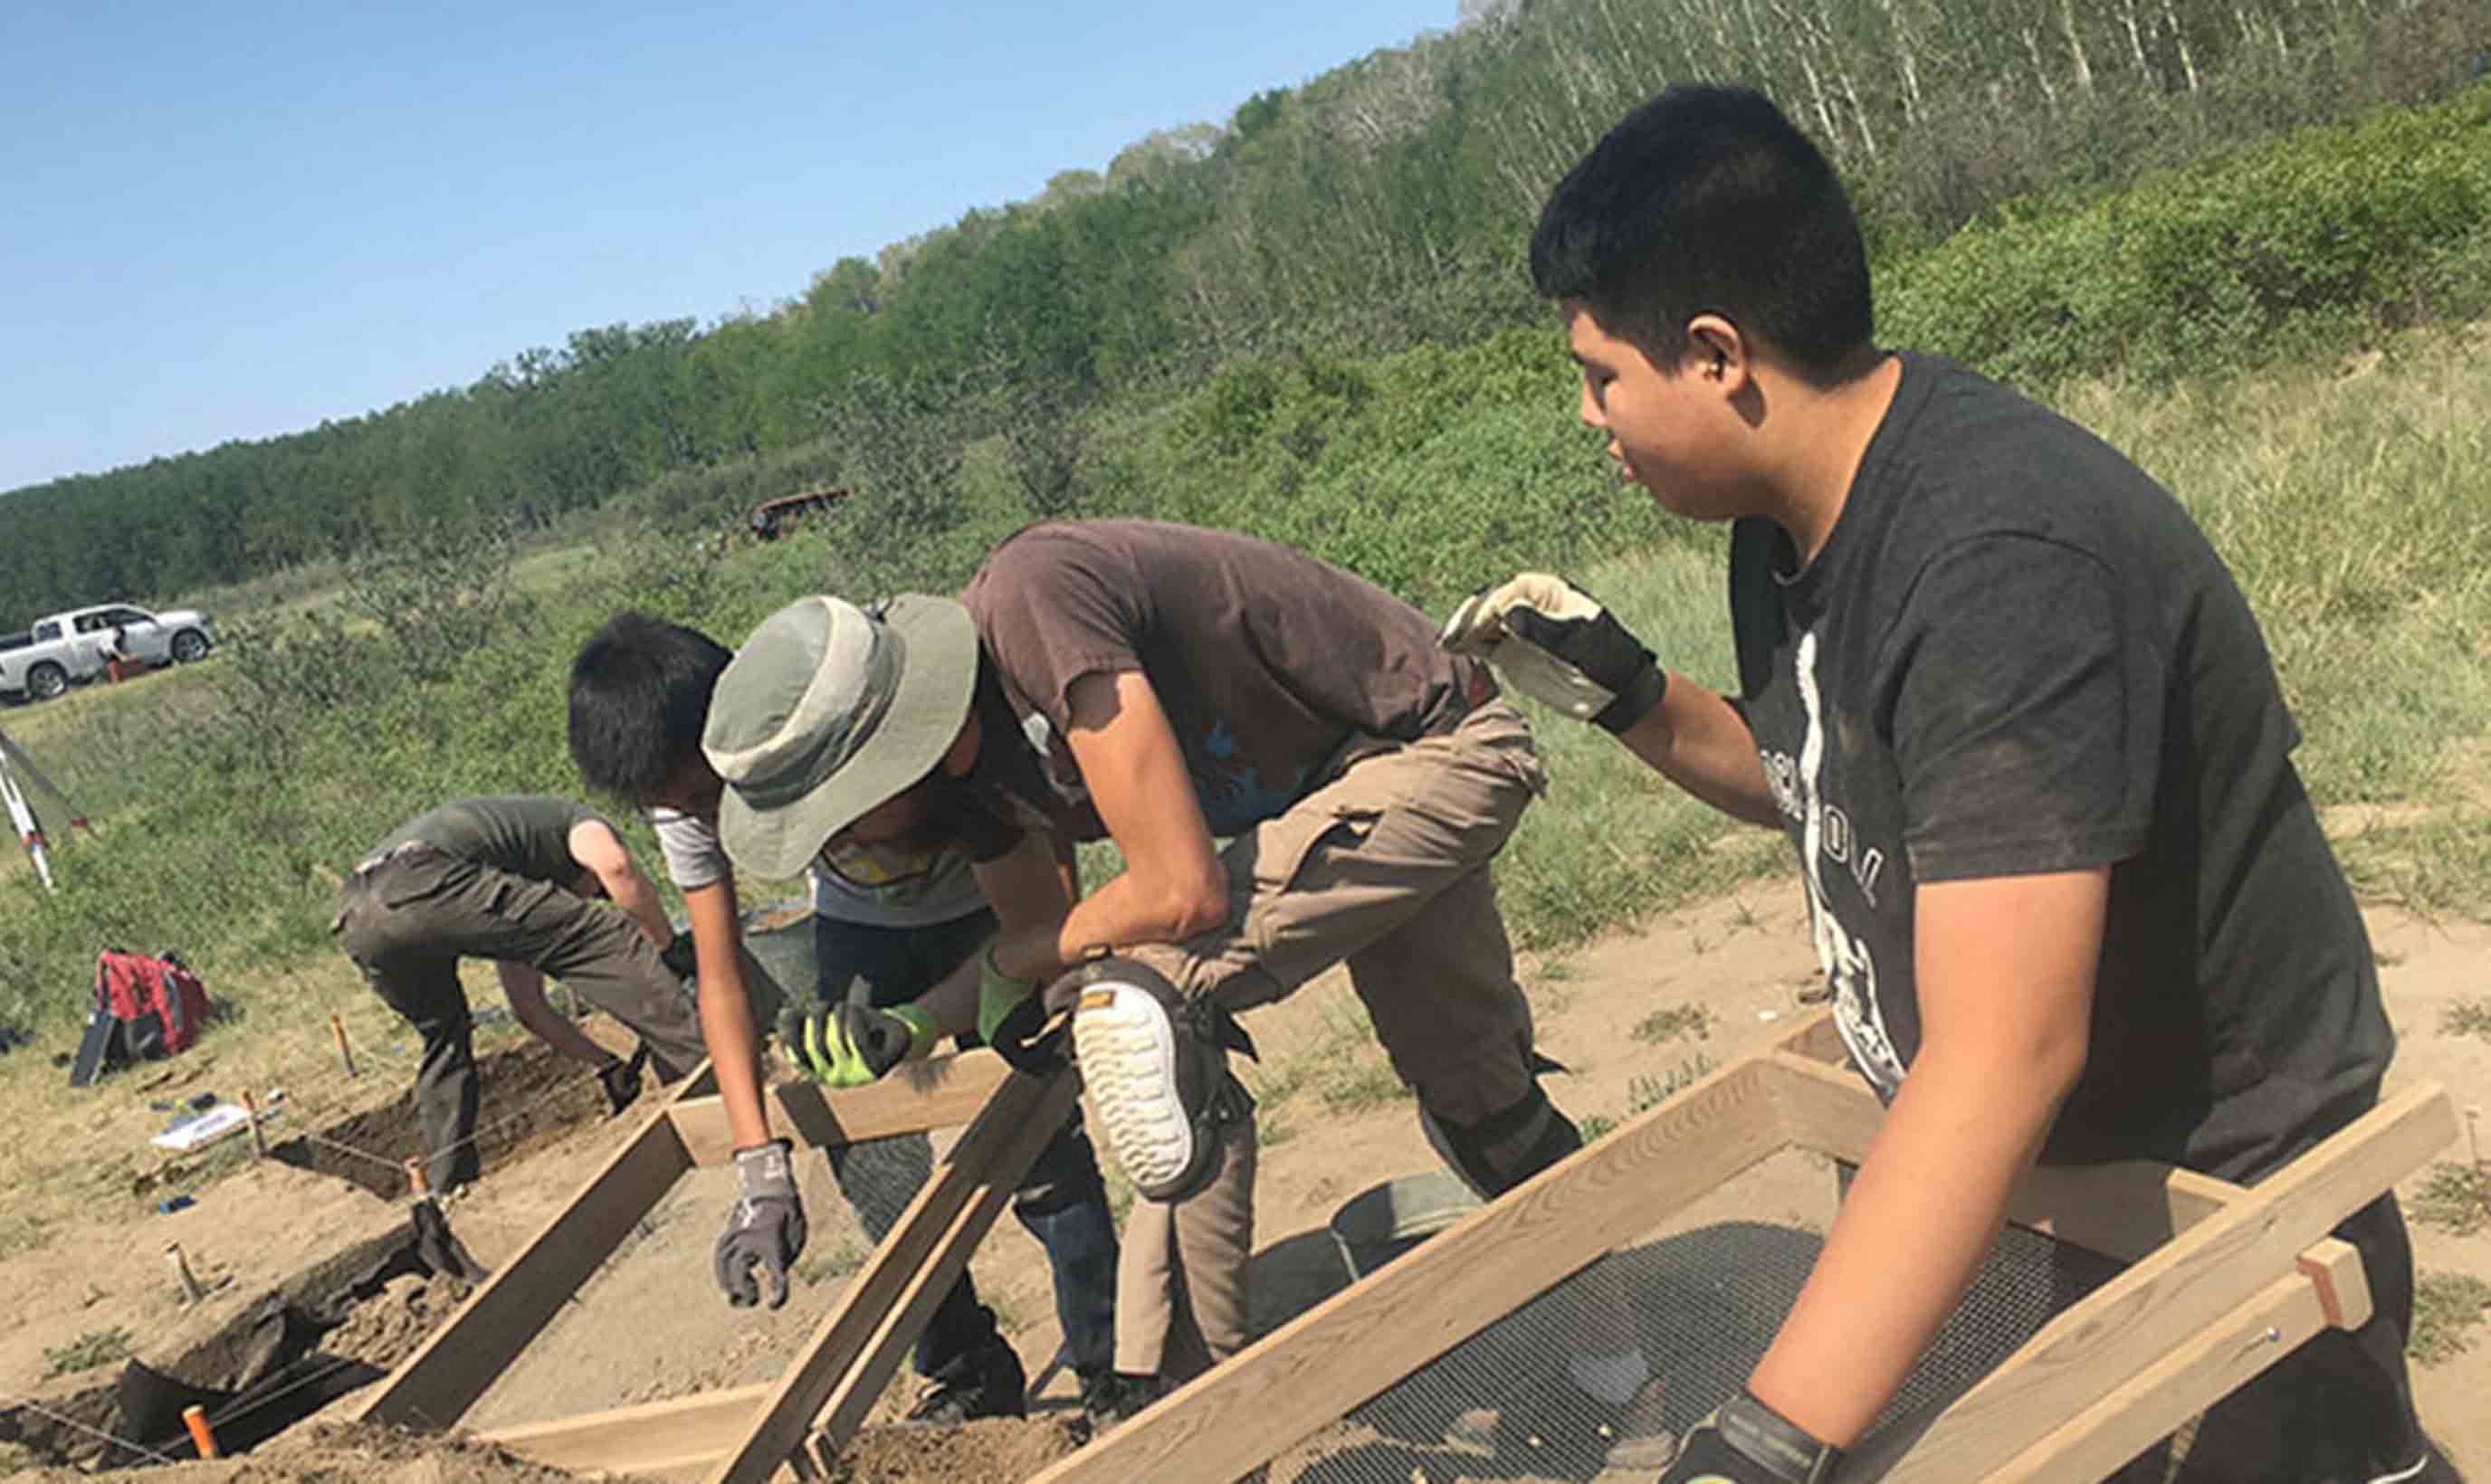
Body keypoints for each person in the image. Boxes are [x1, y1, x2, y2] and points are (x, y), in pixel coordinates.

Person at [1441, 83, 2453, 1484]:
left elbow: (2008, 1047)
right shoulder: (1787, 522)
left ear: (1719, 354)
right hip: (2022, 1173)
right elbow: (1817, 783)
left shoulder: (2000, 563)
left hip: (2213, 1172)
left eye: (1602, 373)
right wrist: (1625, 689)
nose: (1590, 416)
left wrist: (1763, 1442)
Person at [691, 519, 1666, 1460]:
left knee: (1141, 1007)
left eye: (844, 818)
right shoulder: (972, 785)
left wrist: (1014, 968)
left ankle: (1200, 1424)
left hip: (1436, 758)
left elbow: (1177, 890)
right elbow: (1038, 954)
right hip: (1324, 814)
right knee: (1477, 1106)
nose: (846, 844)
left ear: (906, 749)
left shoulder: (1038, 601)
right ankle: (1619, 1381)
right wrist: (915, 1022)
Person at [566, 613, 1122, 1429]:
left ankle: (1111, 1367)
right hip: (862, 929)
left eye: (701, 791)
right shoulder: (679, 800)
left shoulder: (847, 716)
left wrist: (1046, 956)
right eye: (675, 805)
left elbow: (1030, 856)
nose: (698, 812)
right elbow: (721, 976)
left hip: (988, 907)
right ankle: (966, 1372)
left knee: (1044, 1148)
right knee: (872, 1160)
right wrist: (758, 1166)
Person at [331, 794, 709, 1194]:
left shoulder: (504, 893)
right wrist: (667, 948)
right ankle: (712, 1066)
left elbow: (529, 1009)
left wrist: (608, 1066)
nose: (590, 896)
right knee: (601, 934)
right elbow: (615, 866)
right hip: (421, 878)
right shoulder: (575, 820)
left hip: (355, 917)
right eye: (594, 890)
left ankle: (446, 1186)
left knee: (444, 1036)